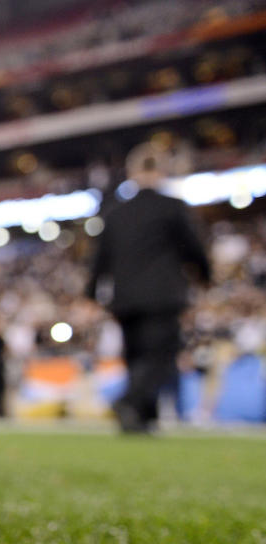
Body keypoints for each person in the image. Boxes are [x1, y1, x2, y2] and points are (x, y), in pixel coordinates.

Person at [86, 144, 210, 433]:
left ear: (132, 173)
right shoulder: (172, 207)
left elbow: (99, 259)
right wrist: (205, 275)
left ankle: (142, 419)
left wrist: (91, 293)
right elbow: (193, 249)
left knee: (136, 355)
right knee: (159, 357)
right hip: (162, 296)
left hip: (125, 298)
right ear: (163, 172)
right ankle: (130, 402)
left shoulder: (116, 212)